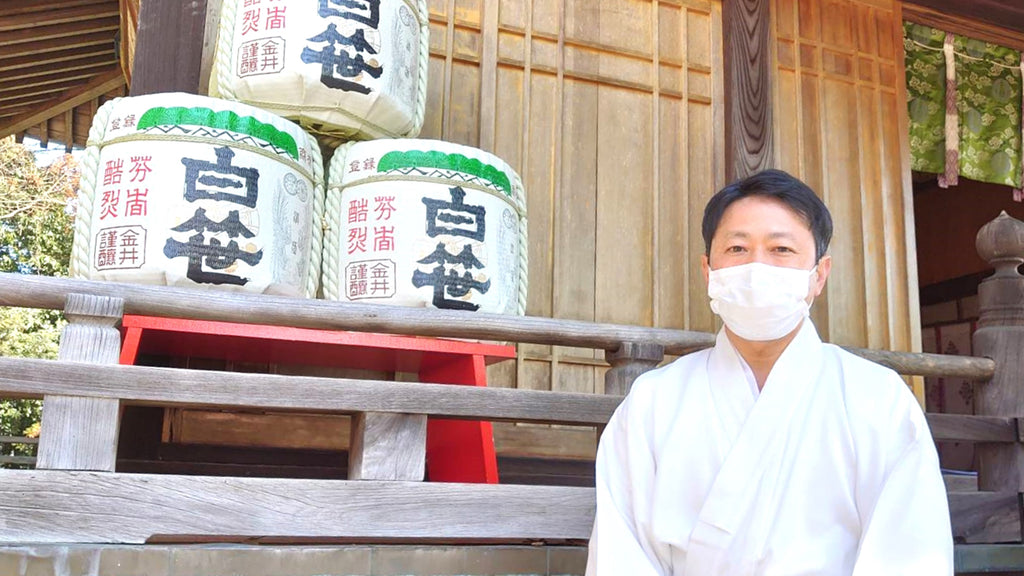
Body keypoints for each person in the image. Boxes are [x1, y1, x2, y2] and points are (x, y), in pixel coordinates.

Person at [585, 169, 953, 575]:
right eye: (738, 248)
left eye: (781, 249)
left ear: (819, 275)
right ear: (709, 272)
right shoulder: (653, 402)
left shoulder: (878, 399)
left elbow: (909, 554)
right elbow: (623, 554)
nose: (757, 266)